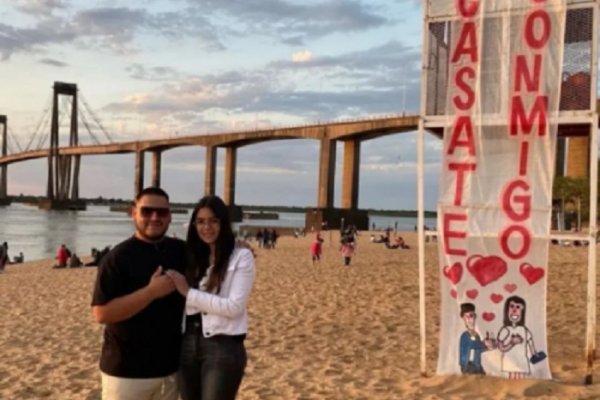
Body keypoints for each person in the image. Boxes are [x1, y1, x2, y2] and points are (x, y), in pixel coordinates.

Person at [91, 187, 186, 400]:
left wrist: (240, 247)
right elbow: (101, 314)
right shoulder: (116, 258)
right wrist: (150, 292)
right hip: (125, 373)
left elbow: (217, 251)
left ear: (170, 216)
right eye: (147, 211)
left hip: (169, 370)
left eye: (161, 212)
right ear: (133, 212)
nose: (154, 217)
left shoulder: (181, 250)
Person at [166, 195, 256, 400]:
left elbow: (234, 307)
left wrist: (189, 293)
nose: (207, 227)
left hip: (223, 346)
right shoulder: (189, 255)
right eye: (200, 221)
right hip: (186, 342)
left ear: (223, 223)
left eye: (213, 221)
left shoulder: (241, 256)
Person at [458, 303, 494, 375]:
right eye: (466, 316)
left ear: (475, 317)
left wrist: (488, 347)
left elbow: (478, 349)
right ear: (463, 318)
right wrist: (484, 344)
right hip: (468, 365)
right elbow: (472, 345)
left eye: (471, 316)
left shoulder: (476, 335)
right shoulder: (465, 335)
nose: (469, 319)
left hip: (476, 365)